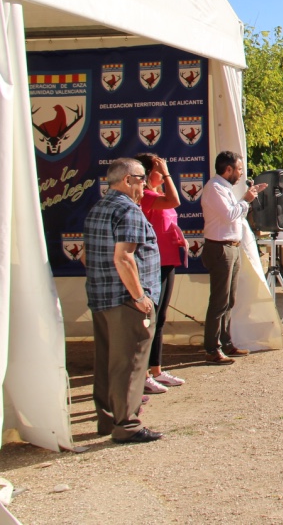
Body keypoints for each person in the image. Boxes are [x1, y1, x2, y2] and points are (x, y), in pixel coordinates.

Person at [83, 158, 162, 443]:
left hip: (101, 296)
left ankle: (108, 420)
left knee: (107, 362)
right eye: (142, 179)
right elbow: (124, 257)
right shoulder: (128, 210)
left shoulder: (98, 208)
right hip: (127, 301)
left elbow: (85, 256)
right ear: (128, 180)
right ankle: (127, 425)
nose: (145, 185)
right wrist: (140, 297)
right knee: (130, 363)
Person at [201, 151, 266, 365]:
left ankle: (225, 342)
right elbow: (229, 215)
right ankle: (212, 348)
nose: (240, 174)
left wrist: (246, 199)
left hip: (231, 247)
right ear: (227, 169)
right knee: (219, 301)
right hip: (220, 248)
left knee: (229, 300)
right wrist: (246, 200)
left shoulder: (224, 188)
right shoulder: (214, 188)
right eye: (238, 169)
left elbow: (234, 214)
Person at [134, 154, 187, 394]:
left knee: (160, 318)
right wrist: (166, 172)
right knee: (149, 319)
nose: (164, 173)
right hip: (152, 264)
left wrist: (178, 236)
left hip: (167, 260)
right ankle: (143, 374)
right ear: (148, 174)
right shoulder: (145, 195)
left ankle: (156, 370)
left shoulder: (154, 194)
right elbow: (174, 200)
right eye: (158, 170)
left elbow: (167, 218)